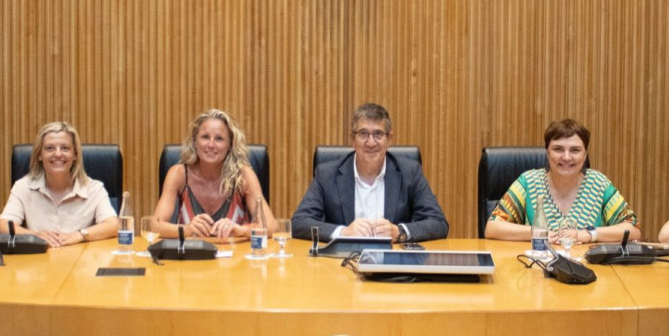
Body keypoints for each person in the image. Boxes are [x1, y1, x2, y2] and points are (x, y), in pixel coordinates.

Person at [292, 103, 448, 242]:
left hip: (393, 264)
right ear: (352, 139)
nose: (371, 142)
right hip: (339, 264)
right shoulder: (327, 174)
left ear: (389, 139)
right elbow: (299, 222)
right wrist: (343, 233)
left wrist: (399, 232)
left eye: (378, 134)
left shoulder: (410, 172)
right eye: (363, 134)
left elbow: (438, 223)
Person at [486, 118, 640, 244]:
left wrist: (588, 234)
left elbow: (633, 230)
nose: (566, 157)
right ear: (547, 153)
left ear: (585, 155)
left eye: (575, 150)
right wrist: (538, 233)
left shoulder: (599, 183)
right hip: (536, 271)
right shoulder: (528, 182)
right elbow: (492, 227)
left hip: (590, 273)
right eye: (558, 149)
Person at [152, 108, 275, 241]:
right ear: (195, 142)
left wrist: (241, 230)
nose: (211, 145)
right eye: (205, 137)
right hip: (190, 259)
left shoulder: (243, 176)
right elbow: (154, 226)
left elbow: (271, 227)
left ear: (230, 145)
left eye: (219, 139)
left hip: (236, 259)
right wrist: (187, 229)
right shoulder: (179, 174)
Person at [0, 121, 118, 247]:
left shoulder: (93, 189)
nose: (58, 154)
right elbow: (3, 226)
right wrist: (34, 236)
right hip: (38, 262)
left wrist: (80, 234)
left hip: (80, 262)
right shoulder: (22, 187)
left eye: (65, 148)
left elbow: (114, 225)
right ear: (39, 155)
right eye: (50, 148)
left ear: (75, 154)